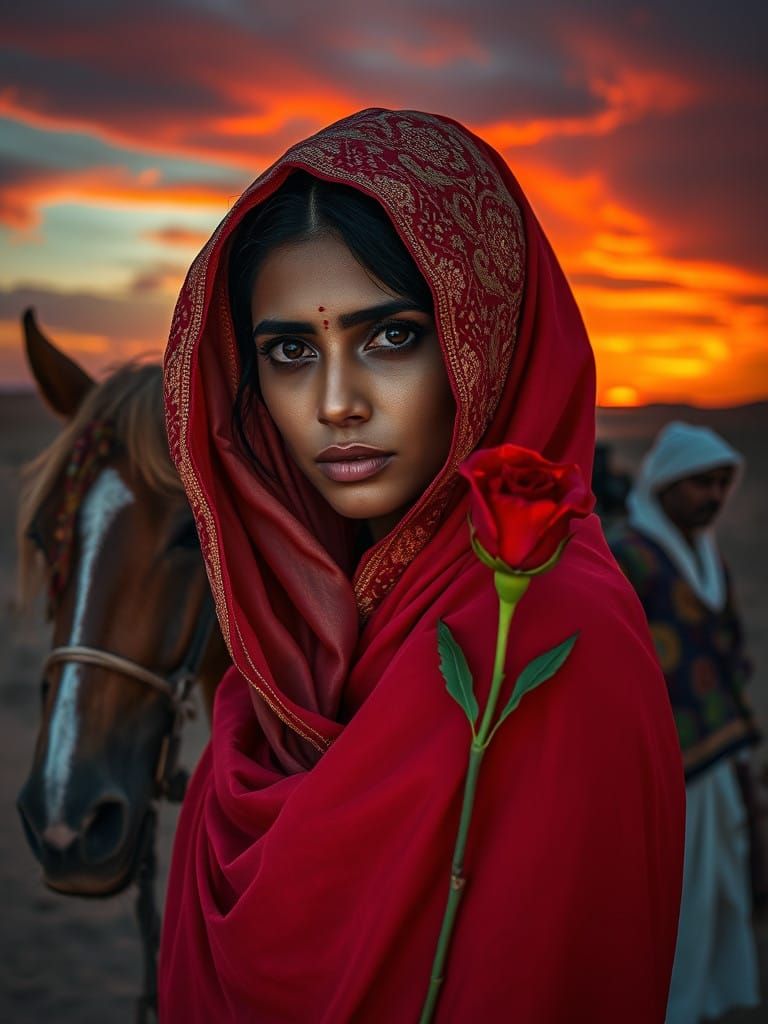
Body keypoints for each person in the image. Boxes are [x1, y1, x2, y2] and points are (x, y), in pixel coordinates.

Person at [159, 108, 685, 1022]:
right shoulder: (272, 666)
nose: (336, 403)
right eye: (290, 352)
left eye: (390, 337)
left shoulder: (559, 632)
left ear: (488, 343)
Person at [610, 421, 762, 1023]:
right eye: (702, 482)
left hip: (719, 754)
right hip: (664, 763)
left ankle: (707, 1000)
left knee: (720, 885)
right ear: (667, 483)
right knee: (675, 894)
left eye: (723, 483)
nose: (714, 496)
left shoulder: (707, 555)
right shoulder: (630, 557)